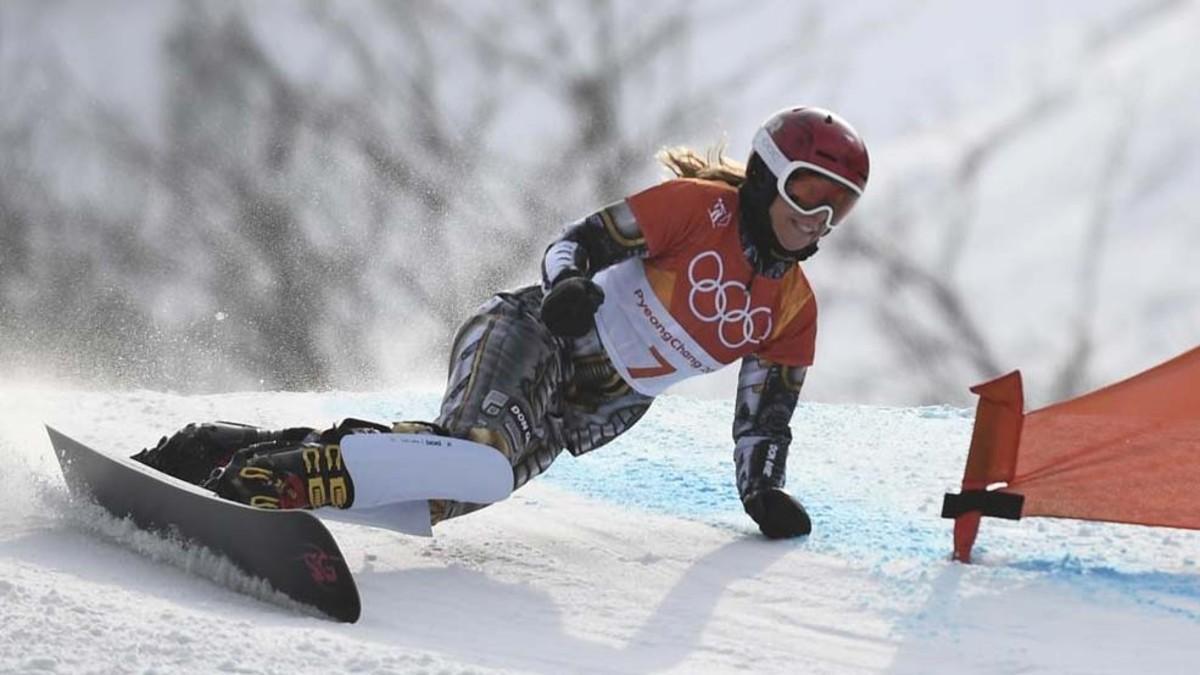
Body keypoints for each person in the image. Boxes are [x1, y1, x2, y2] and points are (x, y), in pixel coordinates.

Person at [133, 106, 870, 539]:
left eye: (838, 205)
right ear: (769, 171)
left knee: (448, 486)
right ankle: (273, 482)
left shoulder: (793, 309)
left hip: (584, 412)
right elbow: (575, 241)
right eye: (809, 190)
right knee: (476, 454)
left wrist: (762, 492)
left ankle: (222, 450)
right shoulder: (695, 209)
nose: (817, 217)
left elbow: (765, 419)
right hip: (536, 335)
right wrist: (568, 286)